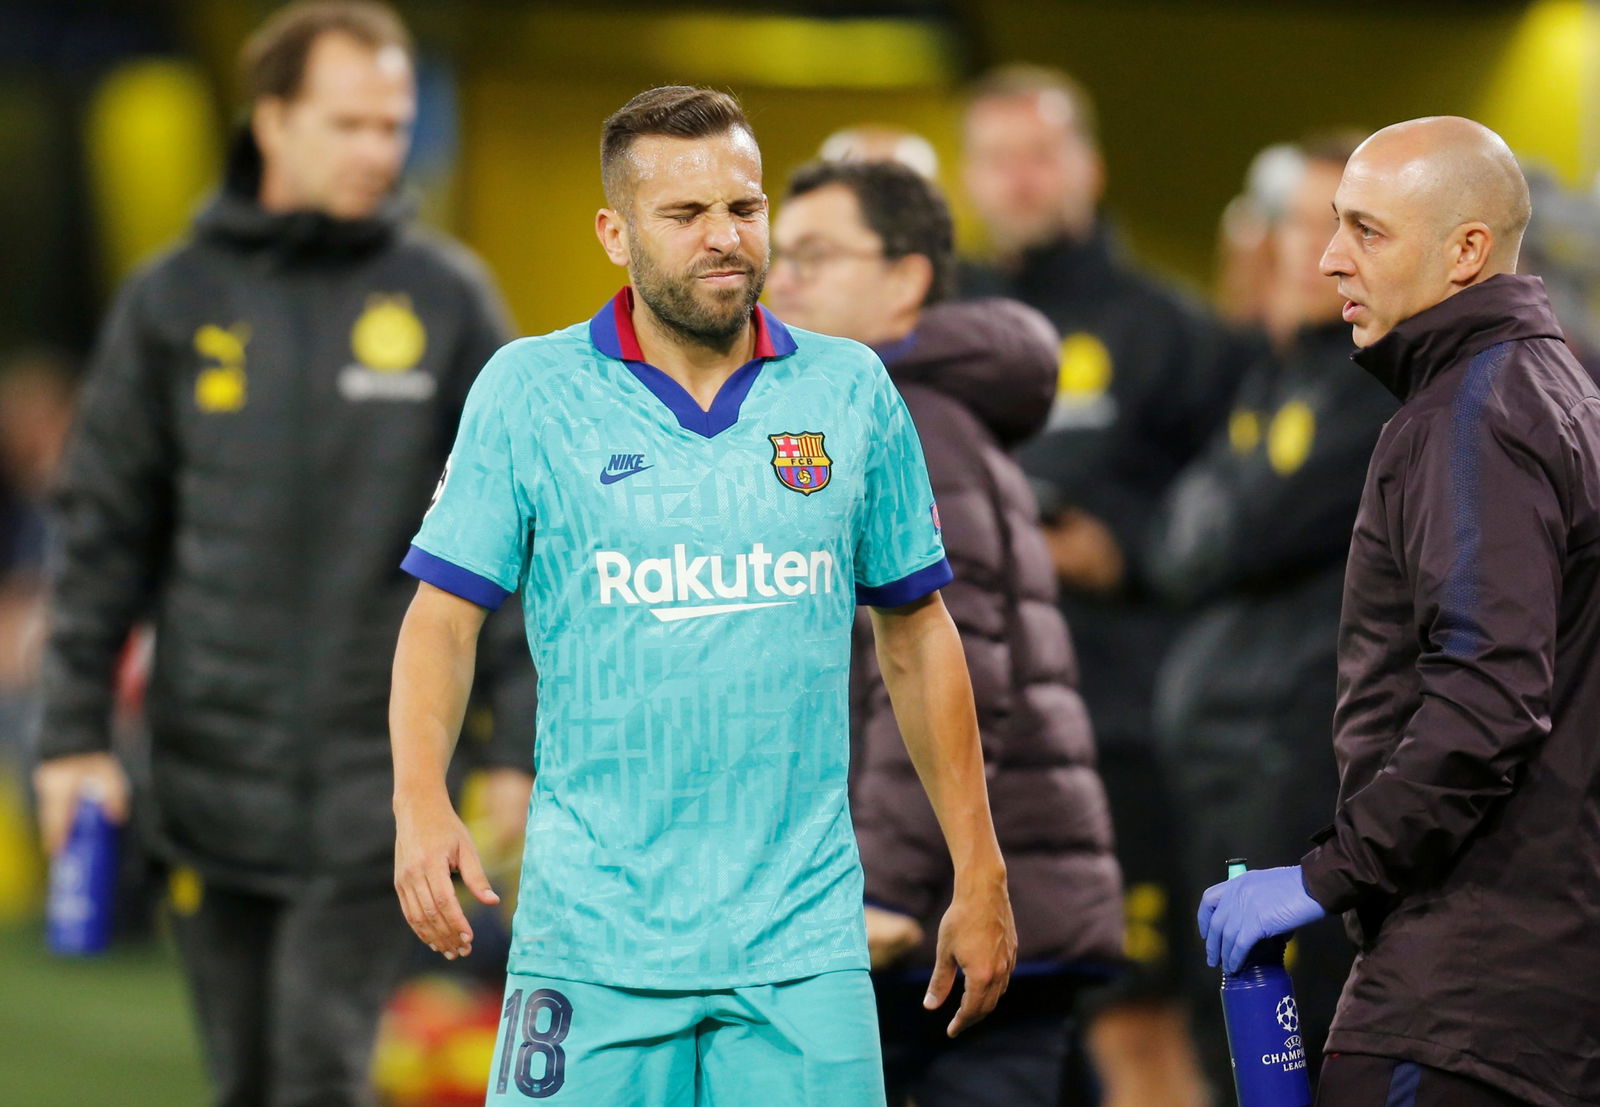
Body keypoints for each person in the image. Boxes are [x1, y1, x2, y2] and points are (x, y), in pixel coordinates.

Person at [389, 86, 1016, 1107]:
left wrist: (978, 869)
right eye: (685, 215)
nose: (724, 238)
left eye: (744, 207)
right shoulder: (527, 392)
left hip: (801, 941)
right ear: (614, 231)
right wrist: (420, 803)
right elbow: (442, 620)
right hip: (590, 937)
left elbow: (917, 632)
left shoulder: (849, 390)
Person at [32, 4, 530, 1104]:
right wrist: (69, 735)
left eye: (393, 125)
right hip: (205, 786)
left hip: (378, 786)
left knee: (318, 1074)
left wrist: (514, 745)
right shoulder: (172, 300)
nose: (378, 151)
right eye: (349, 123)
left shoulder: (448, 301)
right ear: (271, 120)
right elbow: (105, 532)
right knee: (247, 1079)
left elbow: (509, 542)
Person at [1199, 116, 1600, 1107]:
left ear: (1465, 249)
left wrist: (1325, 875)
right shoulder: (1558, 392)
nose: (1331, 260)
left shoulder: (1473, 415)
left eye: (1366, 232)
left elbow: (1490, 700)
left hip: (1464, 995)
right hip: (1534, 980)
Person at [767, 158, 1122, 1106]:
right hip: (987, 902)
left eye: (816, 255)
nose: (783, 280)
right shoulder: (888, 408)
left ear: (908, 277)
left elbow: (938, 671)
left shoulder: (907, 420)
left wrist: (882, 888)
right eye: (780, 256)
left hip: (946, 921)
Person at [959, 63, 1241, 1104]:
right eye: (997, 160)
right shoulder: (944, 325)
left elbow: (1236, 516)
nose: (1020, 182)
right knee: (987, 1020)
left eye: (1040, 156)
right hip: (972, 737)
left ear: (1088, 166)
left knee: (1137, 1017)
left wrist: (1117, 546)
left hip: (1120, 732)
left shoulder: (1172, 333)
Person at [1146, 135, 1394, 1089]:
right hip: (1224, 763)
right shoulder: (1272, 376)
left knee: (1313, 1038)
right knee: (1233, 1038)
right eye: (1295, 224)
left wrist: (1219, 521)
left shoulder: (1374, 389)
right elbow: (1178, 540)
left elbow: (1227, 534)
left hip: (1300, 774)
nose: (1306, 250)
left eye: (1337, 226)